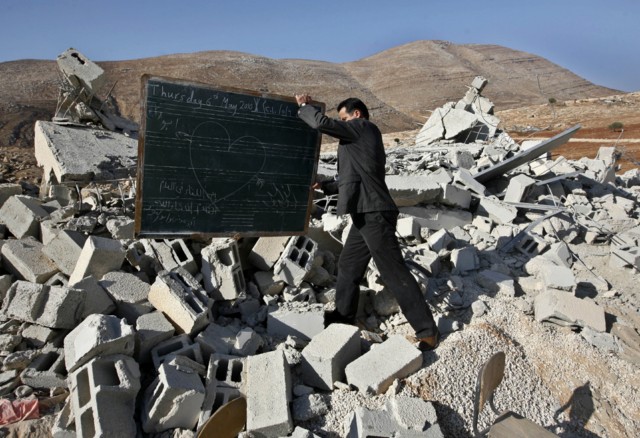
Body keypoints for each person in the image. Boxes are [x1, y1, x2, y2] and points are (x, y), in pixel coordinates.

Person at [295, 95, 439, 350]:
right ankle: (343, 318)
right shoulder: (358, 141)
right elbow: (351, 178)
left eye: (344, 119)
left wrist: (304, 107)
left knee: (394, 272)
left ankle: (427, 332)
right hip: (364, 213)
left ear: (357, 114)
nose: (342, 124)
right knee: (348, 265)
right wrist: (325, 185)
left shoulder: (363, 128)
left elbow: (320, 123)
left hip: (375, 213)